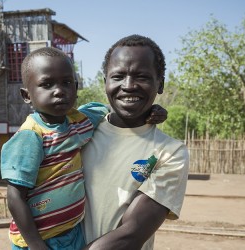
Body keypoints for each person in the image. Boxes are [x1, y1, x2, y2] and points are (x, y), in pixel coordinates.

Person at [0, 46, 168, 250]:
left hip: (72, 233)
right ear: (27, 95)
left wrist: (150, 111)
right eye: (46, 84)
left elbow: (121, 110)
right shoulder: (31, 136)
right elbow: (15, 196)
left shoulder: (81, 120)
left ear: (76, 88)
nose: (59, 90)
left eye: (67, 83)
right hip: (38, 240)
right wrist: (36, 245)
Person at [81, 34, 189, 250]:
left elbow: (130, 235)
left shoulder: (170, 152)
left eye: (142, 77)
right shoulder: (80, 132)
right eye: (118, 76)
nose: (128, 86)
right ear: (105, 83)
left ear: (160, 84)